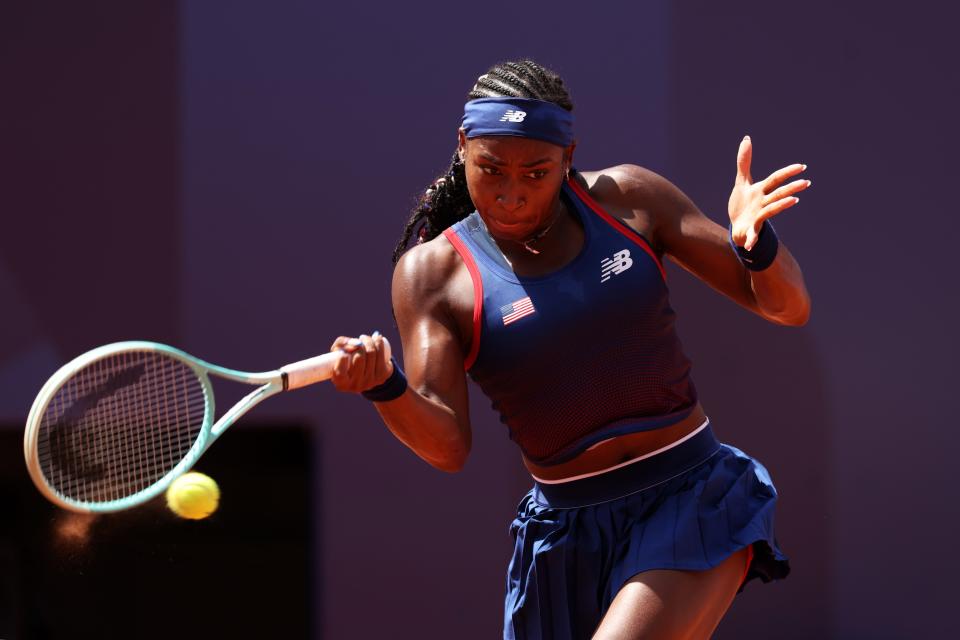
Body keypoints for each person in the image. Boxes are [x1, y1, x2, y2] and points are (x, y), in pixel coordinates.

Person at [328, 59, 811, 640]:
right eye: (491, 170)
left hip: (692, 497)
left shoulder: (630, 198)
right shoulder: (431, 275)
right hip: (563, 532)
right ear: (462, 147)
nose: (511, 194)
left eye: (536, 173)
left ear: (568, 156)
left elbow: (786, 307)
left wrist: (755, 247)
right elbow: (447, 444)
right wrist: (386, 386)